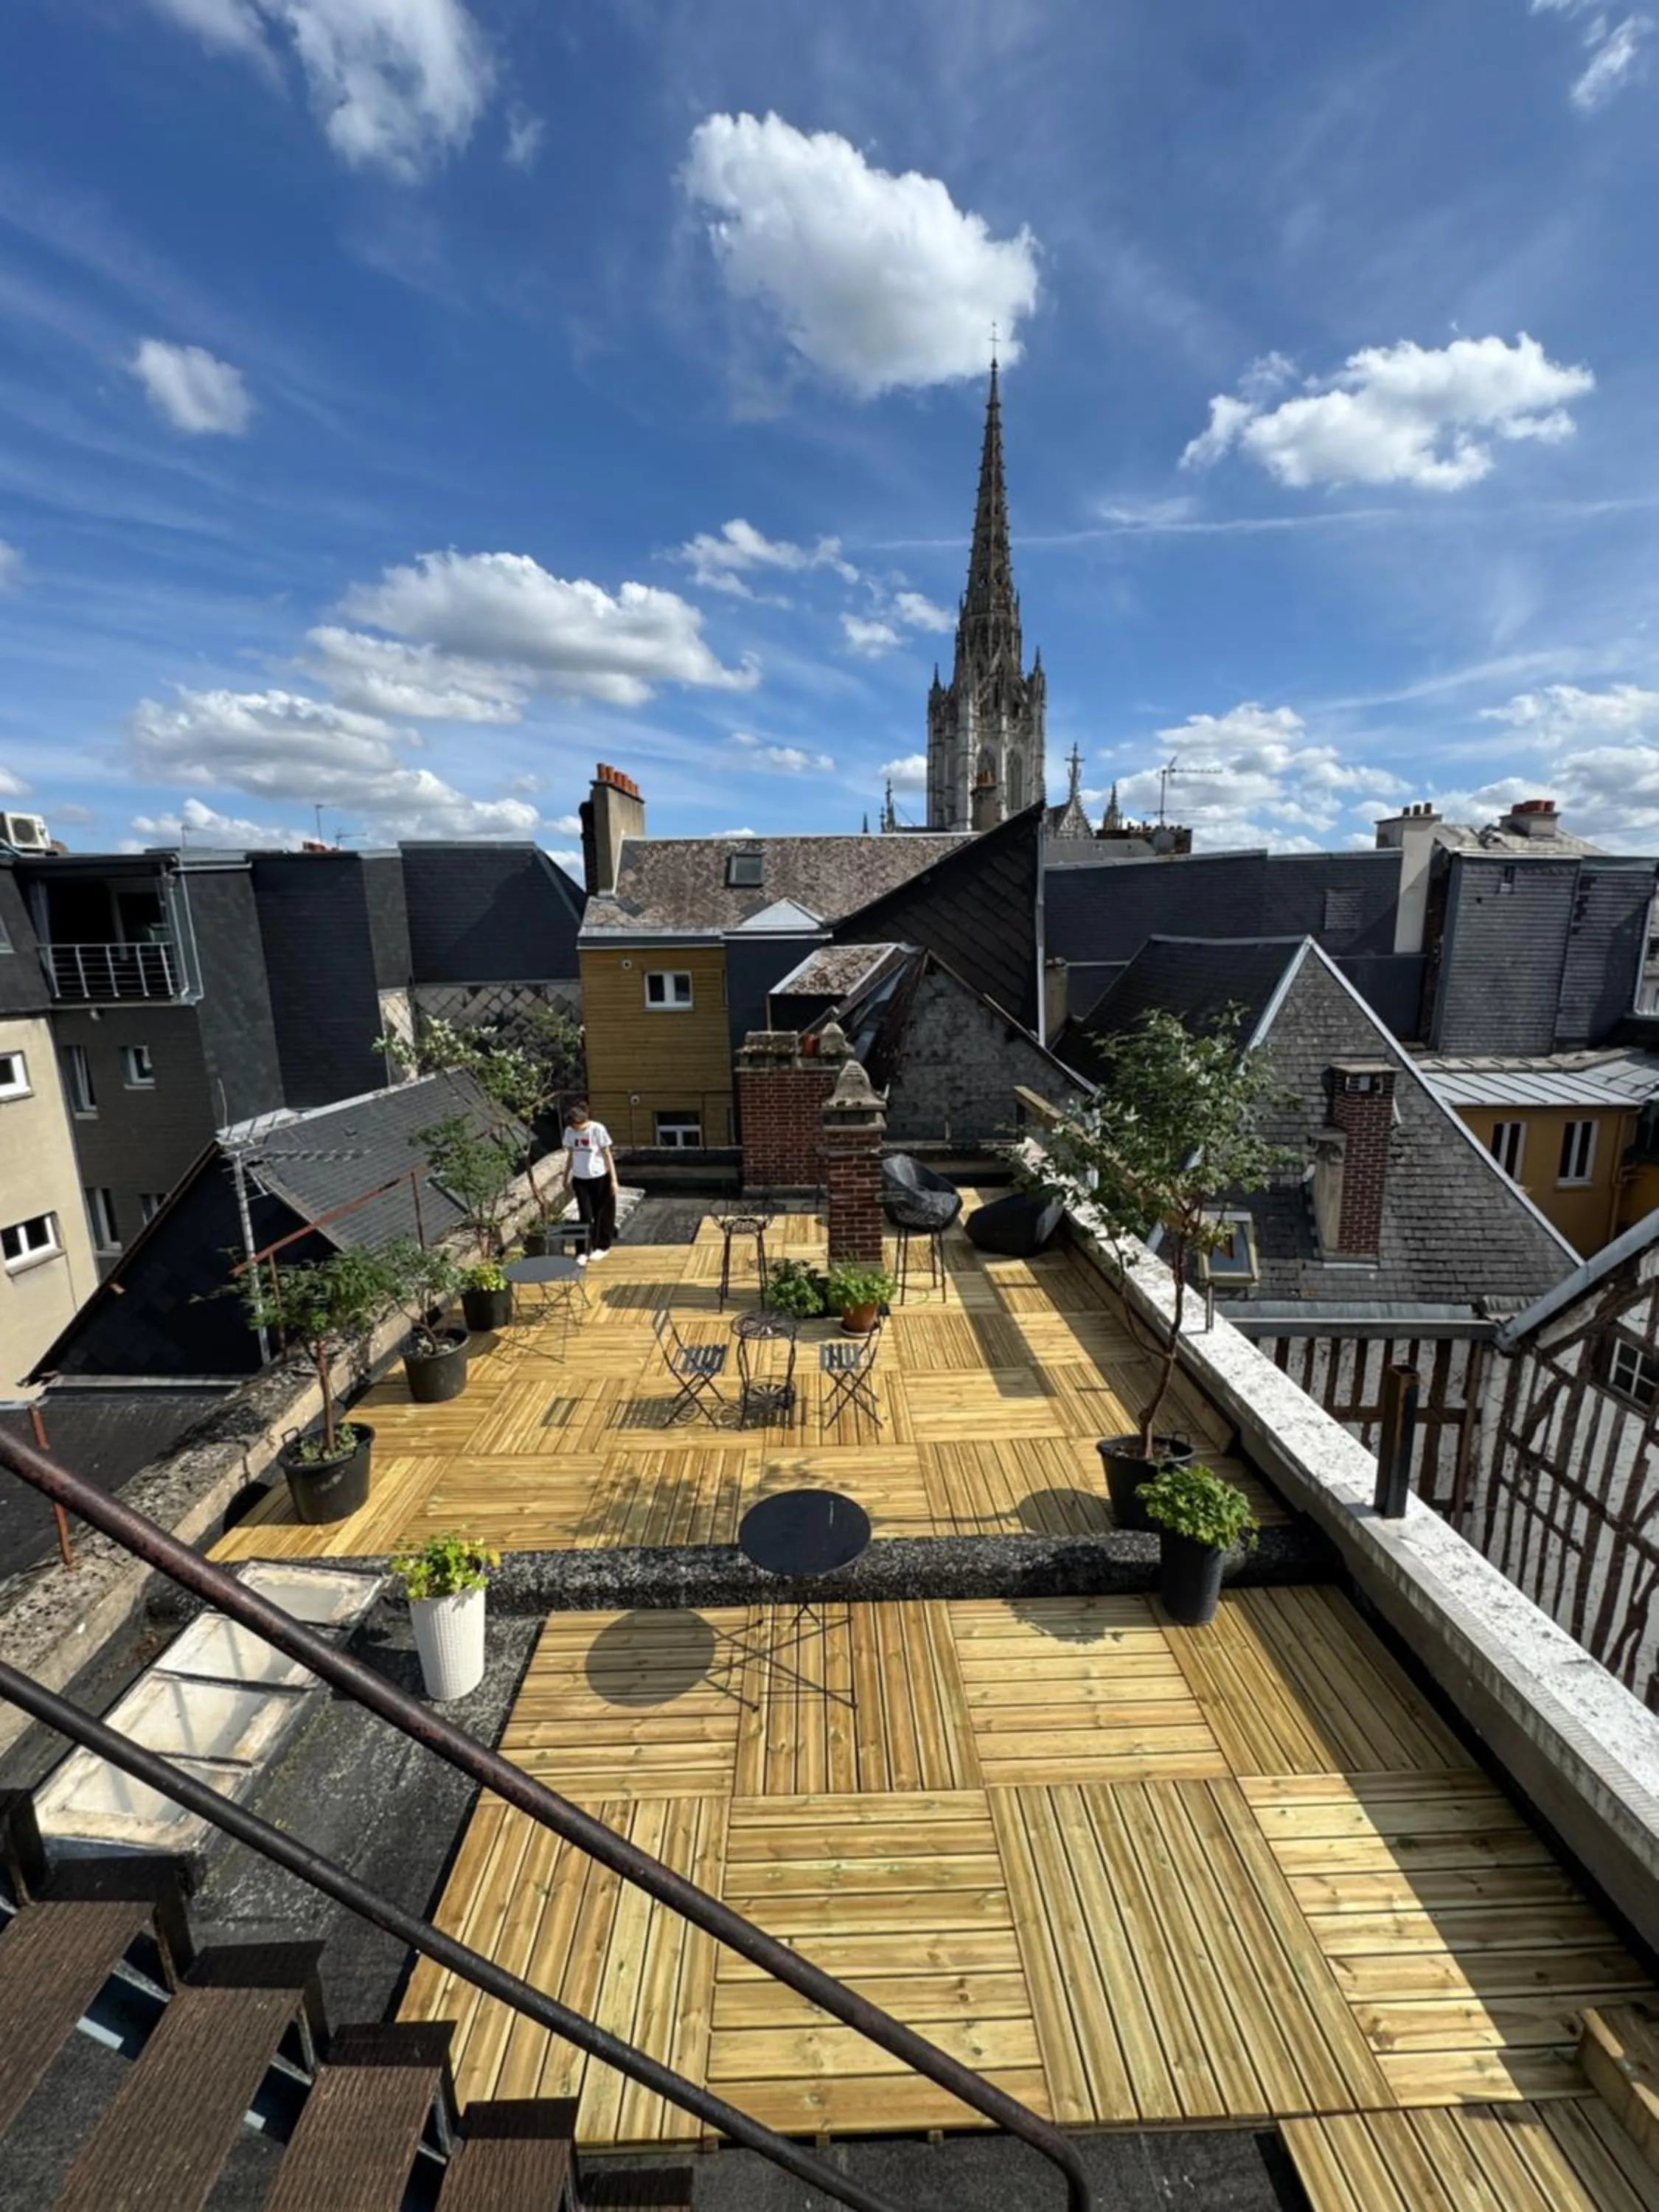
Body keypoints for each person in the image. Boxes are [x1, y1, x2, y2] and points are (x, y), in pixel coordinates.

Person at [562, 1100, 619, 1262]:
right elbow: (571, 1155)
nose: (578, 1129)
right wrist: (566, 1177)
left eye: (580, 1126)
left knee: (603, 1213)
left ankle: (602, 1246)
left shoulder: (597, 1129)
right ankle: (581, 1251)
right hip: (581, 1179)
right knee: (585, 1215)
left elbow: (607, 1154)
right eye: (575, 1126)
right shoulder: (569, 1132)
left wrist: (614, 1180)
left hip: (600, 1176)